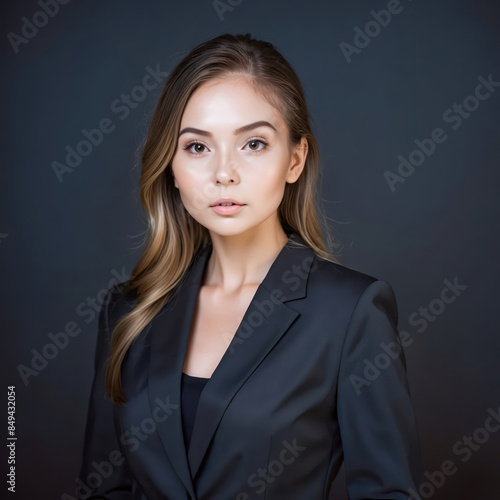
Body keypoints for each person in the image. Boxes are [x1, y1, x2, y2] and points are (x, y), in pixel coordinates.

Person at [77, 33, 425, 499]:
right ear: (171, 167)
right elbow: (104, 488)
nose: (224, 172)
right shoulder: (128, 311)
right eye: (198, 147)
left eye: (254, 143)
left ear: (295, 160)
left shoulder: (350, 314)